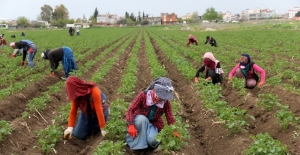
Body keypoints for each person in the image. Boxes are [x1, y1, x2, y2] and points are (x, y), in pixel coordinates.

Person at [125, 77, 180, 151]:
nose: (159, 99)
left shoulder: (166, 103)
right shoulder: (143, 96)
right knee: (141, 119)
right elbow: (130, 110)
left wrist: (175, 130)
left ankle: (145, 144)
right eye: (158, 96)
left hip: (153, 125)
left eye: (162, 98)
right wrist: (131, 125)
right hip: (140, 123)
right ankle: (137, 147)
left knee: (152, 141)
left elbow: (170, 117)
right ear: (153, 89)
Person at [63, 76, 109, 140]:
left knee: (95, 132)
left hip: (100, 113)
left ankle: (96, 127)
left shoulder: (94, 91)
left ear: (77, 88)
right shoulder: (76, 96)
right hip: (86, 113)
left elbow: (99, 111)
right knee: (78, 135)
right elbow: (73, 112)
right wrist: (70, 128)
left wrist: (103, 128)